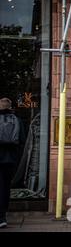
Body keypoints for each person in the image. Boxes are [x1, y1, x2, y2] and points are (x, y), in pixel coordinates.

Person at [0, 98, 25, 228]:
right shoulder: (16, 120)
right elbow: (21, 140)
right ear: (10, 106)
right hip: (9, 159)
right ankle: (2, 216)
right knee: (4, 187)